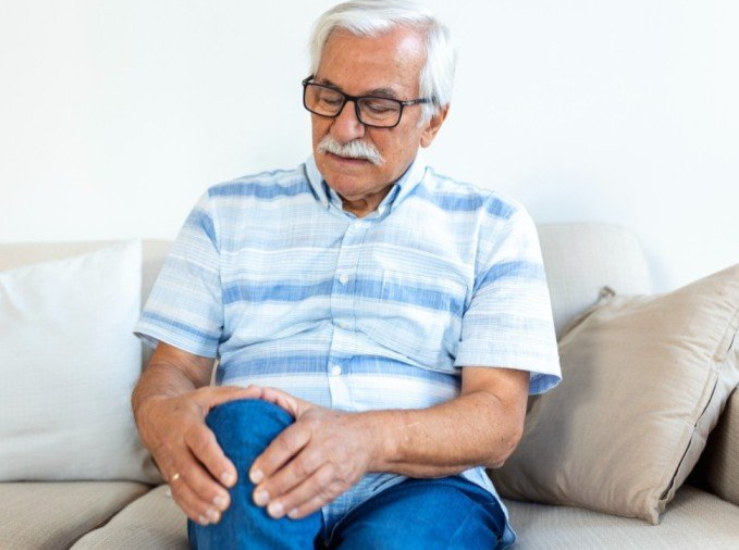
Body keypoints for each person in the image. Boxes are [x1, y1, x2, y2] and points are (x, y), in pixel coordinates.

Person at [130, 1, 562, 548]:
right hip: (260, 458)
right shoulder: (225, 212)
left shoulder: (493, 226)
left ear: (433, 120)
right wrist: (161, 418)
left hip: (422, 486)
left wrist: (365, 439)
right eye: (328, 97)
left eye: (378, 106)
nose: (343, 127)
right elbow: (171, 371)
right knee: (240, 420)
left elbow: (498, 420)